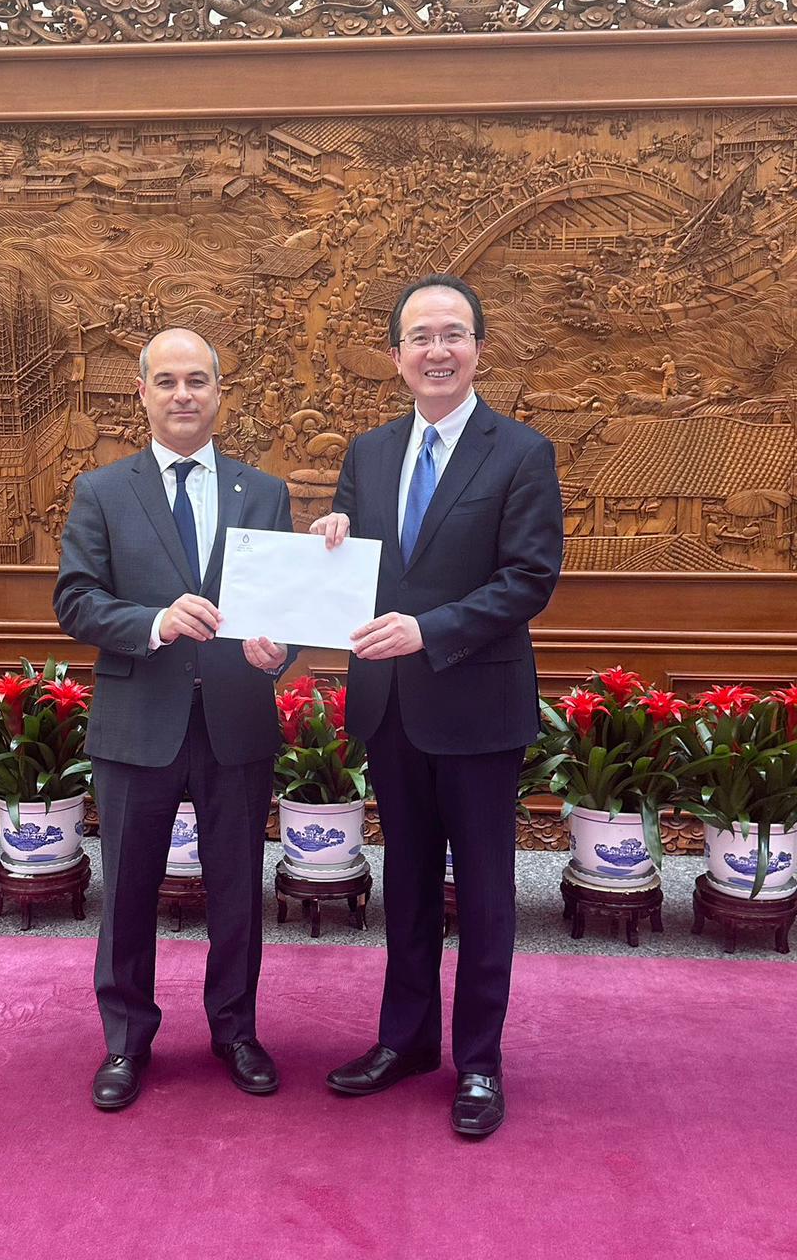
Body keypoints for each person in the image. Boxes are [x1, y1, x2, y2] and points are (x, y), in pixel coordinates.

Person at [311, 275, 563, 1138]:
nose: (437, 350)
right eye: (420, 337)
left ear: (479, 348)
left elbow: (529, 579)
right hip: (392, 709)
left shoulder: (522, 452)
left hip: (478, 706)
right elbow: (355, 562)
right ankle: (407, 1040)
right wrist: (329, 539)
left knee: (485, 892)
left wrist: (430, 630)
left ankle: (480, 1063)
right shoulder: (369, 452)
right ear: (397, 356)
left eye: (453, 334)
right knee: (408, 882)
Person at [54, 327, 292, 1110]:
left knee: (238, 892)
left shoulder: (263, 492)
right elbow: (75, 601)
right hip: (137, 722)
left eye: (197, 380)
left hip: (235, 720)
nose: (182, 394)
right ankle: (126, 1041)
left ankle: (236, 1032)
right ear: (143, 394)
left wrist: (279, 653)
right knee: (127, 892)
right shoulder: (102, 491)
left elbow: (283, 609)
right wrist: (154, 622)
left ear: (220, 391)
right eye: (167, 381)